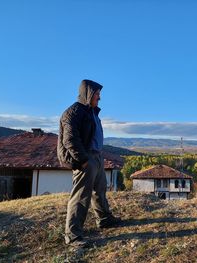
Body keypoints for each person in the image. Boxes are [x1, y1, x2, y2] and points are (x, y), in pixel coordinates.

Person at [57, 79, 121, 247]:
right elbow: (70, 139)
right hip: (86, 159)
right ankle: (73, 236)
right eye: (97, 94)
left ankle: (105, 219)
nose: (99, 97)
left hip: (96, 157)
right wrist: (83, 160)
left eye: (99, 94)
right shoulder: (73, 112)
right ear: (88, 94)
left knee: (100, 190)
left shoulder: (90, 111)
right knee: (80, 196)